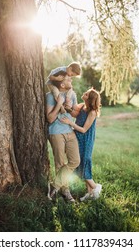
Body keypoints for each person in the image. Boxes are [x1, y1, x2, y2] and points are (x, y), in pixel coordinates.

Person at [60, 88, 102, 201]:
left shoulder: (92, 112)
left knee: (84, 161)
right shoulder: (83, 106)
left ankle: (95, 187)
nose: (84, 93)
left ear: (90, 99)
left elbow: (83, 129)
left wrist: (70, 123)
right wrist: (66, 107)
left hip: (85, 139)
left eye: (87, 94)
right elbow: (74, 113)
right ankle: (90, 192)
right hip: (77, 138)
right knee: (79, 163)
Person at [46, 71, 80, 202]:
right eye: (69, 80)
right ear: (62, 83)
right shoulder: (50, 96)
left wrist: (70, 108)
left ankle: (54, 186)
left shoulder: (72, 95)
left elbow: (75, 113)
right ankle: (65, 191)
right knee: (60, 163)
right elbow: (49, 118)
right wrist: (59, 104)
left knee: (75, 161)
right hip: (56, 132)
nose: (71, 81)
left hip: (70, 131)